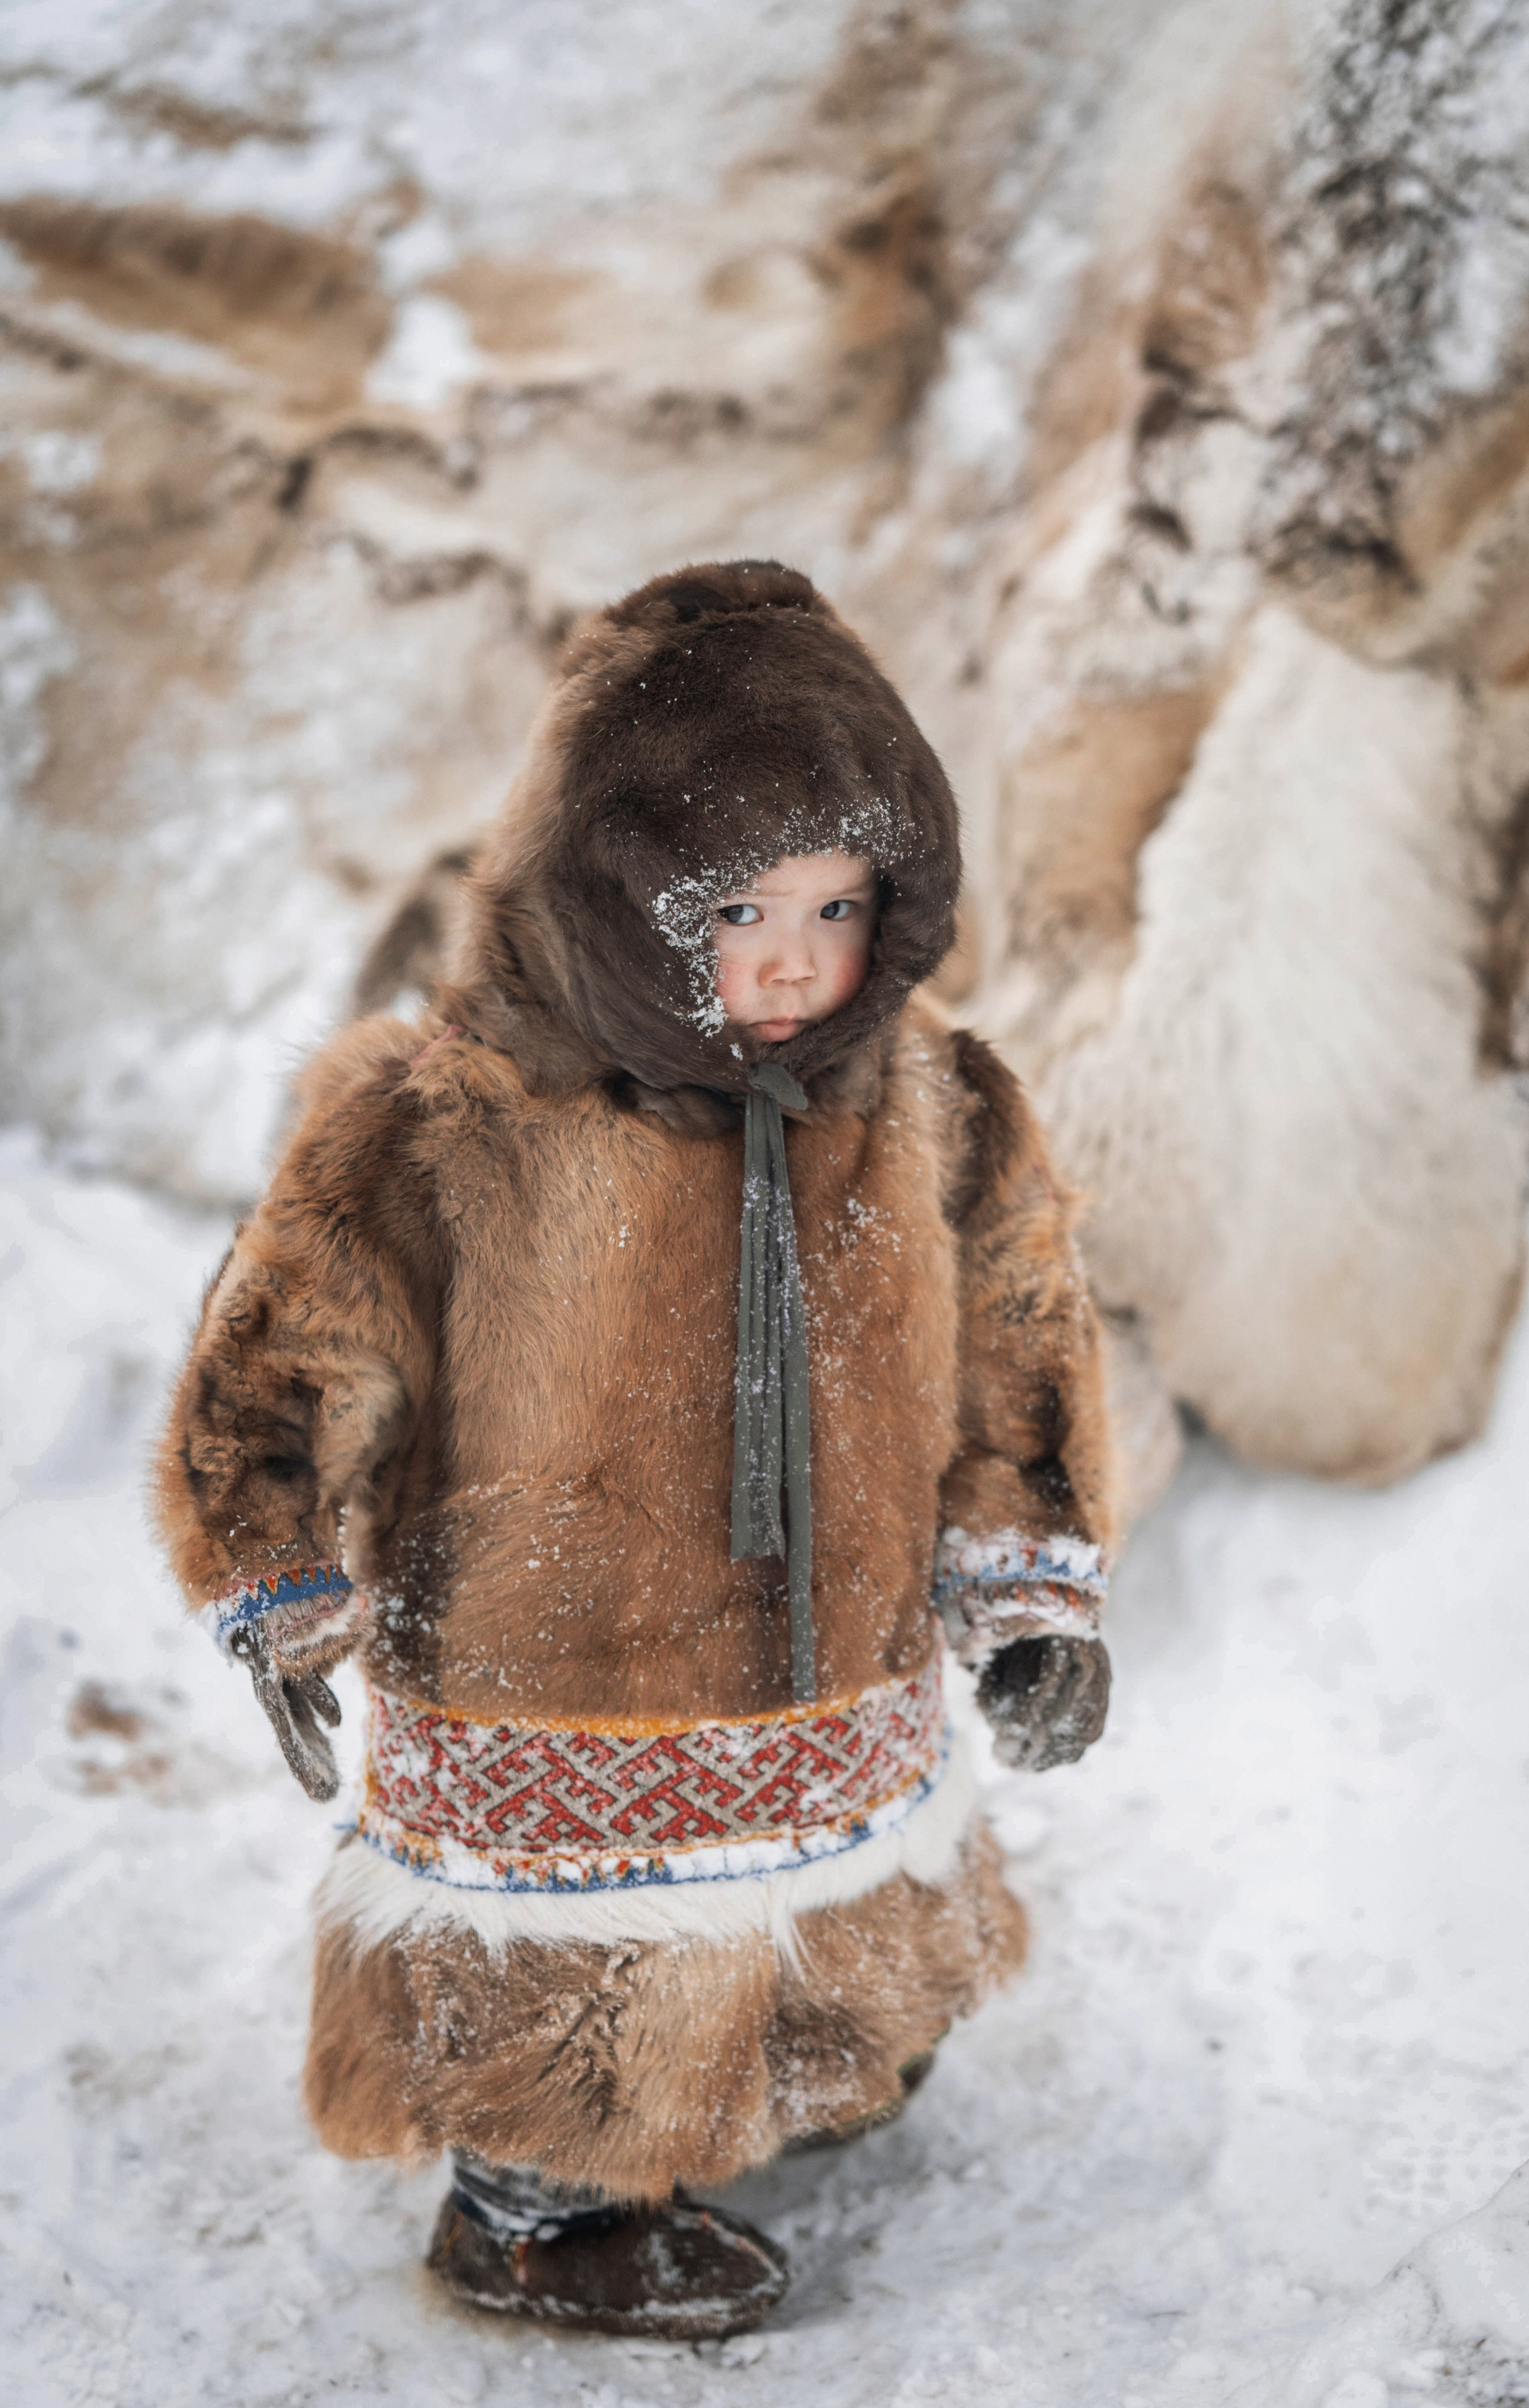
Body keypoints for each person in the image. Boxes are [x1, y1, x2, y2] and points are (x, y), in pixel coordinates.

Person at [154, 559, 1113, 2342]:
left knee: (837, 1870)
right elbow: (284, 1368)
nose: (794, 955)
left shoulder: (936, 1106)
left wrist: (1033, 1584)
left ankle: (800, 2053)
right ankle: (536, 2207)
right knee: (577, 1948)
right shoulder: (454, 1125)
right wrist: (273, 1580)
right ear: (621, 886)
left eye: (842, 903)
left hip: (842, 1662)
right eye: (735, 904)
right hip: (551, 1673)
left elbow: (1020, 1357)